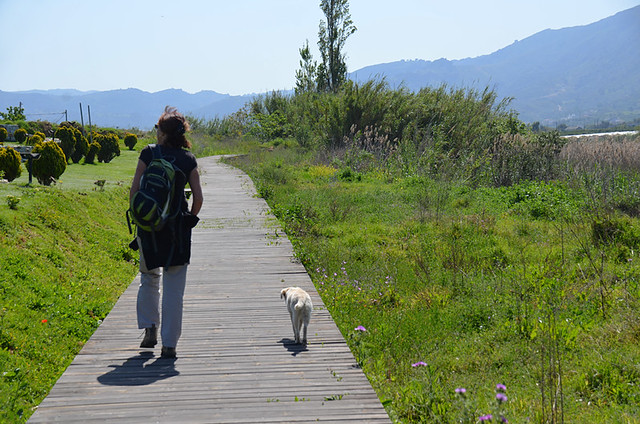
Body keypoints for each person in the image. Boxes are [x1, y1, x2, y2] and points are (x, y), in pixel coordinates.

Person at [129, 106, 203, 358]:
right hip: (176, 232)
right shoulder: (188, 160)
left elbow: (134, 190)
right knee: (174, 288)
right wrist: (189, 220)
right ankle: (169, 344)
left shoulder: (148, 153)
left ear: (162, 132)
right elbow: (199, 199)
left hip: (148, 228)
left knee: (149, 277)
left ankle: (150, 329)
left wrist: (141, 220)